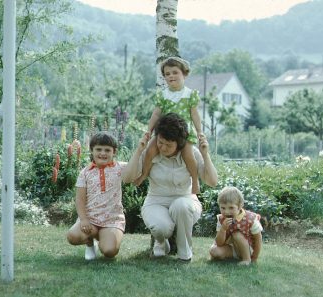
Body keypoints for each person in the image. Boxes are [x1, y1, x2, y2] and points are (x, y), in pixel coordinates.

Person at [125, 112, 218, 261]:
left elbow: (212, 182)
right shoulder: (151, 151)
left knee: (180, 206)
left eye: (169, 145)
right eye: (161, 142)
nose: (163, 147)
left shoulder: (190, 153)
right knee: (161, 227)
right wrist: (139, 150)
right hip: (156, 200)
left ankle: (185, 253)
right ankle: (161, 242)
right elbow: (127, 178)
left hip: (185, 199)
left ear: (179, 144)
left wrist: (205, 155)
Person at [66, 131, 146, 260]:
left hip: (112, 220)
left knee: (109, 251)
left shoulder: (120, 168)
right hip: (90, 219)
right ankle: (89, 242)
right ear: (92, 150)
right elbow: (80, 200)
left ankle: (103, 238)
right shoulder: (85, 173)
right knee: (72, 236)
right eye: (98, 149)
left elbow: (133, 173)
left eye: (107, 150)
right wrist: (84, 219)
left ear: (114, 152)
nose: (103, 153)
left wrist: (140, 149)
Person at [134, 56, 203, 194]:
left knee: (188, 154)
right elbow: (156, 114)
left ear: (184, 74)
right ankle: (144, 174)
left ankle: (195, 181)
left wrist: (199, 131)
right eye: (167, 74)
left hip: (184, 131)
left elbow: (195, 114)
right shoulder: (163, 95)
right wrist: (149, 131)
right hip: (164, 131)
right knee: (150, 150)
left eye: (175, 72)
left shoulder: (190, 94)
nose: (171, 76)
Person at [209, 186, 263, 265]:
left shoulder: (251, 219)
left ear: (240, 206)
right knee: (213, 251)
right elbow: (219, 243)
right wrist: (223, 229)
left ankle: (246, 259)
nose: (226, 212)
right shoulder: (221, 219)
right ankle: (234, 257)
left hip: (248, 248)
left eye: (231, 208)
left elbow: (258, 239)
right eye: (223, 208)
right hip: (231, 248)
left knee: (236, 234)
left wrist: (254, 257)